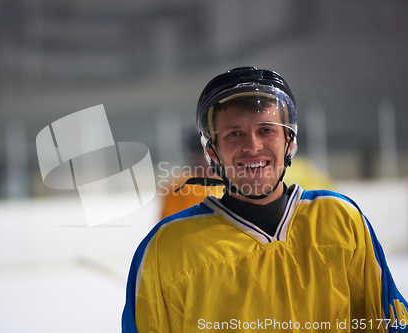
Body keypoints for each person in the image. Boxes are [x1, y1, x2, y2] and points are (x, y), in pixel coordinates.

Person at [122, 67, 408, 332]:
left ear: (289, 141)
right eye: (234, 134)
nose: (253, 147)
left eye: (266, 130)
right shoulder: (166, 249)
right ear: (212, 152)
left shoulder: (342, 220)